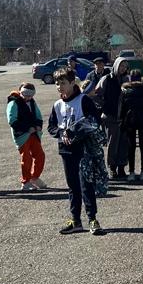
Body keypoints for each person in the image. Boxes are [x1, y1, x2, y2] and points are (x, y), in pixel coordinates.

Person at [47, 67, 106, 235]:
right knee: (72, 186)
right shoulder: (57, 105)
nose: (59, 87)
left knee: (86, 184)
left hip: (83, 150)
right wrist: (60, 133)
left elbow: (93, 121)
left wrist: (73, 131)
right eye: (57, 84)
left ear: (73, 82)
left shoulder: (83, 100)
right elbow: (51, 126)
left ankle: (93, 219)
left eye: (63, 83)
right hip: (66, 150)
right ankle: (76, 220)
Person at [7, 82, 48, 191]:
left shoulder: (32, 102)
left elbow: (38, 116)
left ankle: (34, 177)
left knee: (40, 156)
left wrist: (38, 126)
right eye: (25, 94)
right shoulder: (13, 103)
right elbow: (12, 121)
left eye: (30, 95)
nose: (28, 97)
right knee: (26, 159)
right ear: (20, 92)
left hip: (34, 134)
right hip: (22, 135)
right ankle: (25, 182)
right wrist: (27, 128)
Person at [118, 69, 143, 181]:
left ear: (130, 78)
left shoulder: (125, 90)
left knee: (131, 146)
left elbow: (121, 108)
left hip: (130, 120)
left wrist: (121, 121)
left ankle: (131, 172)